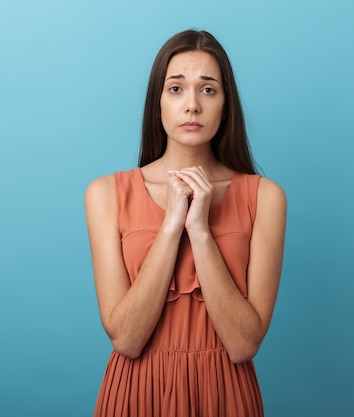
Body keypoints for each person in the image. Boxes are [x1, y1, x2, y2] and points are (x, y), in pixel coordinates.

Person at [84, 29, 286, 417]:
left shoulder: (266, 198)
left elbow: (244, 344)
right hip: (136, 394)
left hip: (225, 396)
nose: (192, 105)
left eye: (207, 90)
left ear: (226, 105)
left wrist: (200, 229)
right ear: (156, 103)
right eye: (176, 89)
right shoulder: (104, 194)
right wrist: (171, 224)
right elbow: (126, 338)